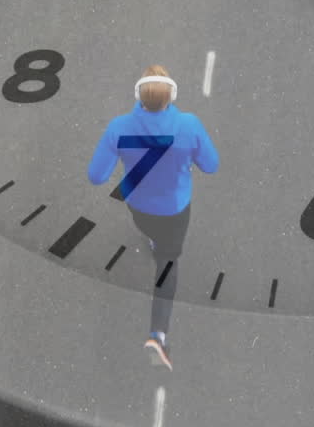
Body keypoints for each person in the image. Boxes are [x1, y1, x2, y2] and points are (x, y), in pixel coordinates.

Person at [87, 65, 219, 370]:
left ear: (139, 96)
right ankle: (158, 334)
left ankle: (153, 240)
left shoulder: (118, 128)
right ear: (171, 95)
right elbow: (211, 165)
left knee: (151, 233)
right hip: (174, 210)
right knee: (167, 264)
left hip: (138, 205)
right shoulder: (189, 125)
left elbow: (97, 176)